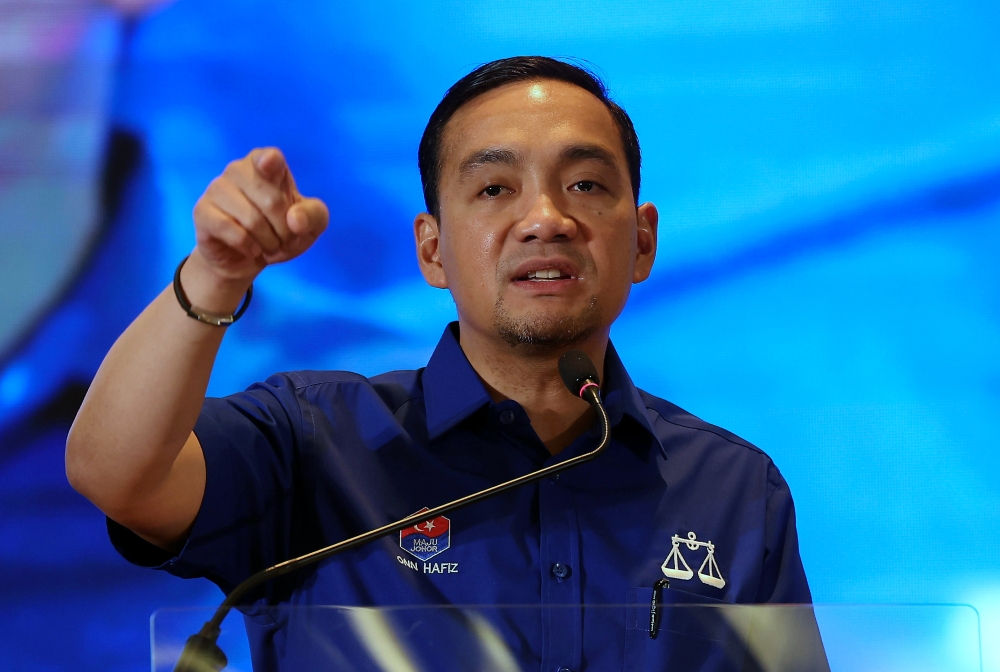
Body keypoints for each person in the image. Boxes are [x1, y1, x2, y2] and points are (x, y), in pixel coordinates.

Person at [67, 56, 820, 670]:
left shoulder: (733, 488)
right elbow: (115, 473)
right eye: (495, 188)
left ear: (643, 241)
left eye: (586, 185)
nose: (547, 219)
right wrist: (214, 276)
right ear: (432, 248)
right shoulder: (314, 440)